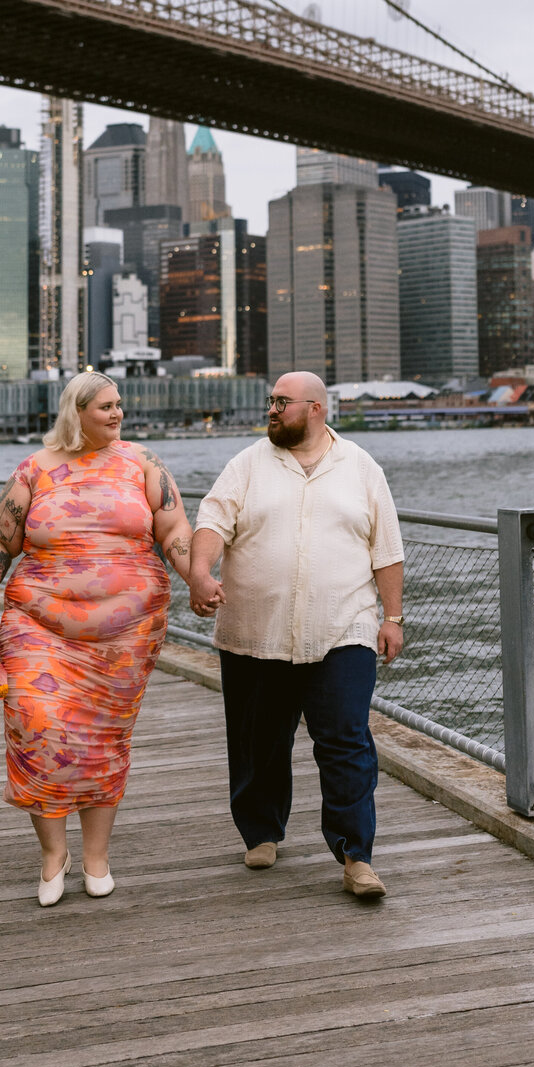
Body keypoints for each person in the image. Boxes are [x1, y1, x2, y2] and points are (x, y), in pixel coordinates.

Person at [0, 371, 194, 906]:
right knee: (35, 722)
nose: (118, 414)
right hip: (37, 624)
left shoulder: (143, 463)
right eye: (106, 406)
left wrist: (197, 578)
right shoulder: (35, 469)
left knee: (104, 737)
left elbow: (174, 529)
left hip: (127, 632)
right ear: (77, 411)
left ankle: (96, 856)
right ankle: (52, 854)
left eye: (119, 405)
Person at [187, 370, 404, 898]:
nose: (272, 409)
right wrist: (199, 572)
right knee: (259, 740)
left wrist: (392, 618)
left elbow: (387, 548)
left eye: (282, 402)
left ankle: (356, 857)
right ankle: (261, 831)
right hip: (255, 631)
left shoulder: (361, 467)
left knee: (346, 740)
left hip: (342, 628)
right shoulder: (247, 465)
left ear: (316, 408)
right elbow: (213, 520)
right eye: (271, 400)